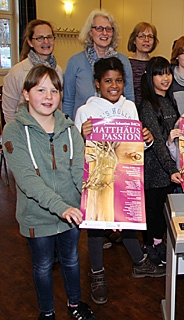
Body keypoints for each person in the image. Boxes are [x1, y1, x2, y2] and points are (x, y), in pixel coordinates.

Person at [2, 65, 96, 320]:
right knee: (42, 266)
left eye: (54, 90)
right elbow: (27, 180)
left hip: (71, 214)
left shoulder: (69, 129)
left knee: (72, 259)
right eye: (40, 89)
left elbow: (80, 172)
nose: (48, 96)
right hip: (37, 215)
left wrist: (101, 209)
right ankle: (47, 312)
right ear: (25, 93)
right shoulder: (13, 132)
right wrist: (61, 206)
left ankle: (75, 304)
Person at [74, 57, 163, 305]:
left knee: (128, 222)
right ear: (97, 83)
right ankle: (97, 273)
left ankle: (139, 263)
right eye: (108, 81)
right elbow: (75, 150)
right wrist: (81, 136)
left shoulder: (130, 108)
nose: (114, 85)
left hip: (125, 177)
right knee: (96, 227)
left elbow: (136, 150)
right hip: (97, 178)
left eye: (119, 81)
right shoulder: (85, 111)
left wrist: (147, 139)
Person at [138, 56, 181, 266]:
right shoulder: (147, 105)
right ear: (150, 77)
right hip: (155, 170)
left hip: (169, 170)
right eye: (159, 73)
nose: (165, 78)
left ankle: (157, 242)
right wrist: (171, 168)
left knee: (162, 212)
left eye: (168, 73)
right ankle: (150, 246)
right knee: (152, 211)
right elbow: (156, 141)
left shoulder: (169, 101)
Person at [63, 9, 134, 120]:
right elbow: (68, 101)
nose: (104, 33)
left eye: (108, 29)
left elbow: (129, 97)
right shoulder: (75, 62)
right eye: (99, 28)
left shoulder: (123, 60)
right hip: (83, 128)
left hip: (117, 127)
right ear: (90, 32)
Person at [3, 20, 63, 124]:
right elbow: (9, 112)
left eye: (49, 37)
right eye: (40, 38)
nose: (46, 41)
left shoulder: (58, 70)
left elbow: (58, 107)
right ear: (30, 42)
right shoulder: (16, 72)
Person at [128, 22, 159, 108]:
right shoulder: (126, 63)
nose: (146, 40)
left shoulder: (156, 64)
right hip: (131, 110)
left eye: (150, 36)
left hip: (151, 112)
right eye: (141, 36)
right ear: (134, 40)